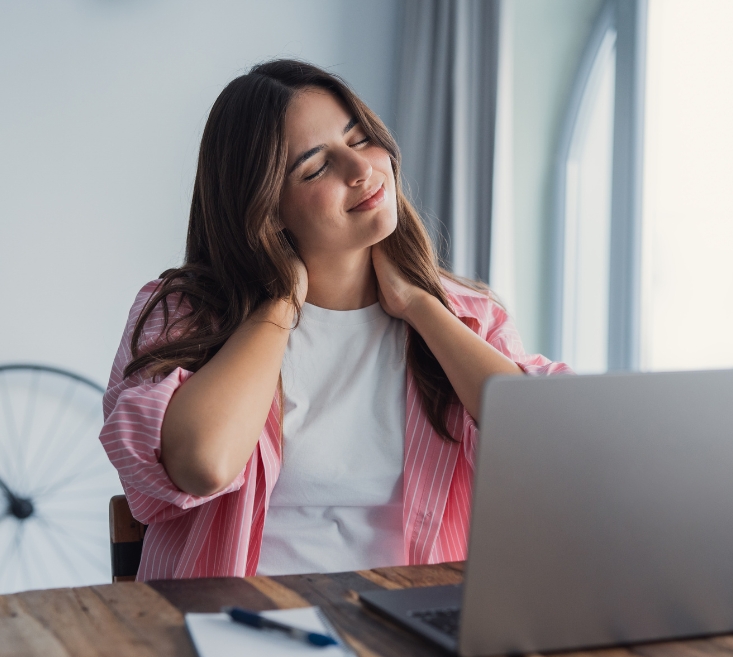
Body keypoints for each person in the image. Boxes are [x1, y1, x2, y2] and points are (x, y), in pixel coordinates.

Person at [100, 59, 571, 582]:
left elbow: (549, 449)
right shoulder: (183, 316)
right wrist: (281, 303)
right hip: (239, 629)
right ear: (267, 208)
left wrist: (421, 307)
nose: (363, 168)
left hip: (404, 629)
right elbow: (203, 464)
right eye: (316, 166)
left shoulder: (466, 316)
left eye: (361, 137)